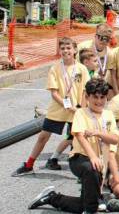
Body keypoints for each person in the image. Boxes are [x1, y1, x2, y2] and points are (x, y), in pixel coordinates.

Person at [28, 78, 118, 214]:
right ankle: (90, 213)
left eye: (102, 97)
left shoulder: (108, 115)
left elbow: (114, 139)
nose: (99, 100)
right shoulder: (81, 113)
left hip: (100, 160)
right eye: (95, 97)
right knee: (92, 169)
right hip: (79, 158)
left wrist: (98, 133)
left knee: (83, 204)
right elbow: (80, 136)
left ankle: (52, 198)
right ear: (87, 97)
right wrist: (93, 156)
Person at [14, 37, 90, 176]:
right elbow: (54, 93)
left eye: (68, 48)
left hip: (77, 111)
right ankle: (29, 165)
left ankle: (82, 172)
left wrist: (81, 110)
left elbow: (85, 91)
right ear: (59, 51)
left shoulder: (82, 69)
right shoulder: (55, 68)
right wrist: (69, 107)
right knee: (43, 136)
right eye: (62, 48)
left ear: (74, 50)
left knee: (78, 140)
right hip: (58, 109)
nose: (65, 51)